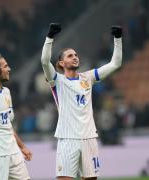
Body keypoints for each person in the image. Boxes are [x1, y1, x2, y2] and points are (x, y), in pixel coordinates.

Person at [41, 23, 122, 180]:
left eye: (76, 55)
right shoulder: (57, 80)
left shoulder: (88, 77)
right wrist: (49, 37)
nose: (75, 57)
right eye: (70, 56)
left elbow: (115, 64)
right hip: (67, 138)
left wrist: (117, 39)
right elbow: (45, 61)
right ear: (61, 63)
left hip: (89, 137)